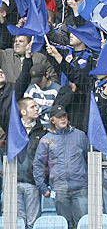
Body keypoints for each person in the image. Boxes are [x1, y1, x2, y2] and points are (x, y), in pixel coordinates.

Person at [33, 105, 89, 229]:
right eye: (59, 117)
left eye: (64, 116)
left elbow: (89, 159)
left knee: (83, 223)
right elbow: (38, 165)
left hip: (81, 187)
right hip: (59, 188)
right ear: (52, 120)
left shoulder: (80, 135)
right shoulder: (46, 140)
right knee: (65, 224)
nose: (63, 119)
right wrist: (43, 188)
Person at [16, 97, 47, 229]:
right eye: (32, 107)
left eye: (36, 106)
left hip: (32, 182)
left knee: (32, 223)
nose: (36, 109)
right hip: (14, 181)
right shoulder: (13, 130)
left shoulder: (43, 131)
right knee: (17, 222)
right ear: (23, 112)